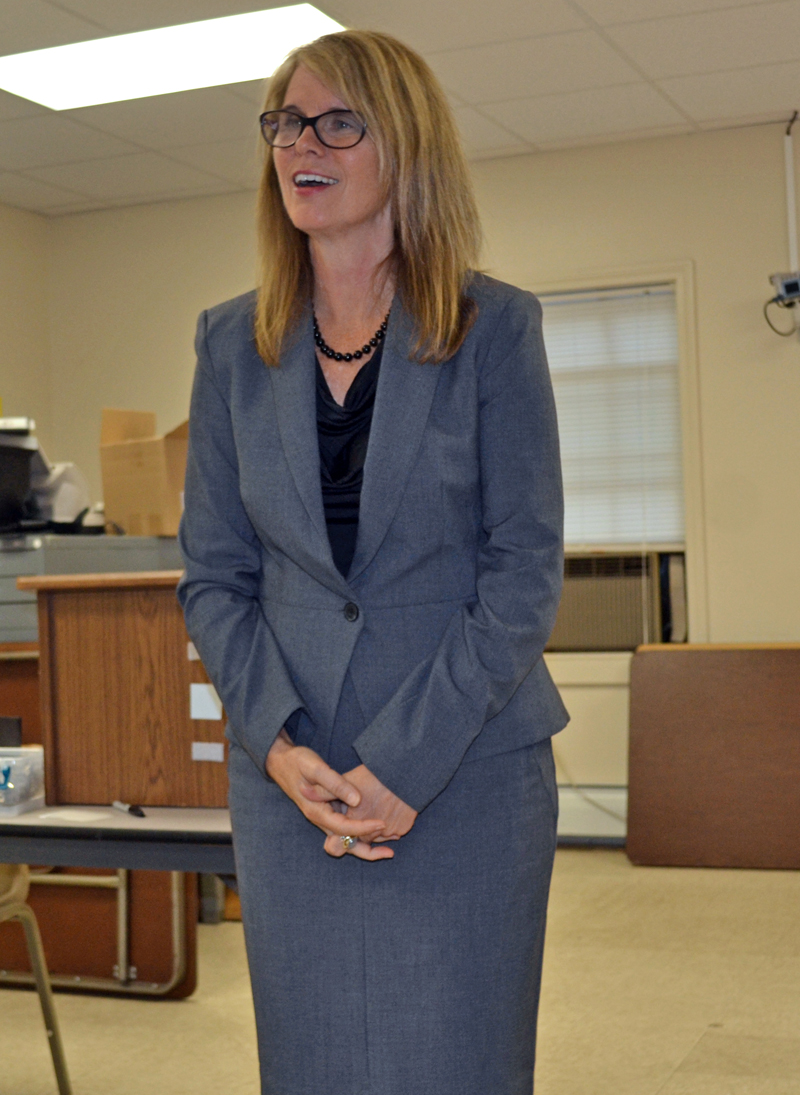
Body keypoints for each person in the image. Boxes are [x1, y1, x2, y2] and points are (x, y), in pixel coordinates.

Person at [177, 28, 568, 1095]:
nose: (302, 144)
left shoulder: (493, 330)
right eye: (284, 123)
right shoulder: (227, 345)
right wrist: (270, 740)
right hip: (292, 786)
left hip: (462, 775)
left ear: (404, 144)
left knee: (457, 1062)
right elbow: (213, 574)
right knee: (308, 1067)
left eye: (336, 122)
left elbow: (521, 570)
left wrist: (406, 758)